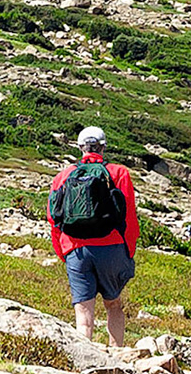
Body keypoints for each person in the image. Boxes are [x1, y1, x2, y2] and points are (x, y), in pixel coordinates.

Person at [46, 125, 139, 347]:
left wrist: (64, 253)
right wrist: (127, 251)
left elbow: (53, 219)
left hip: (75, 249)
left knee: (83, 315)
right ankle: (117, 357)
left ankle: (85, 363)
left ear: (80, 148)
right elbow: (129, 218)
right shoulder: (119, 173)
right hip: (112, 246)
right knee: (113, 305)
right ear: (103, 147)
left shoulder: (62, 176)